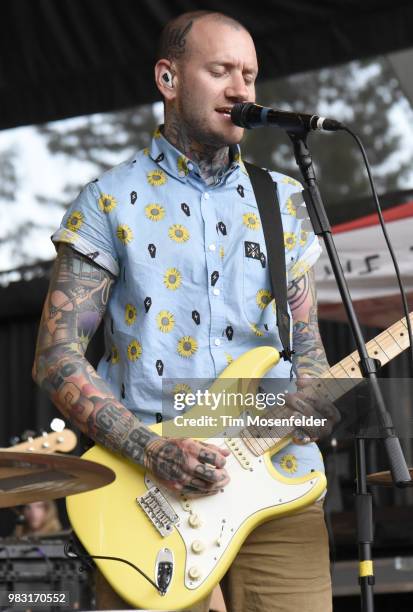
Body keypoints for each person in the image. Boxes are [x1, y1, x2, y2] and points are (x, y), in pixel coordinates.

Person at [33, 10, 338, 611]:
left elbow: (308, 350)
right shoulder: (108, 200)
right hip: (149, 489)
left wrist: (317, 401)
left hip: (280, 485)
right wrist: (154, 451)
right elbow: (57, 357)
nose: (241, 89)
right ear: (168, 80)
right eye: (221, 69)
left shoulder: (284, 199)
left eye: (249, 74)